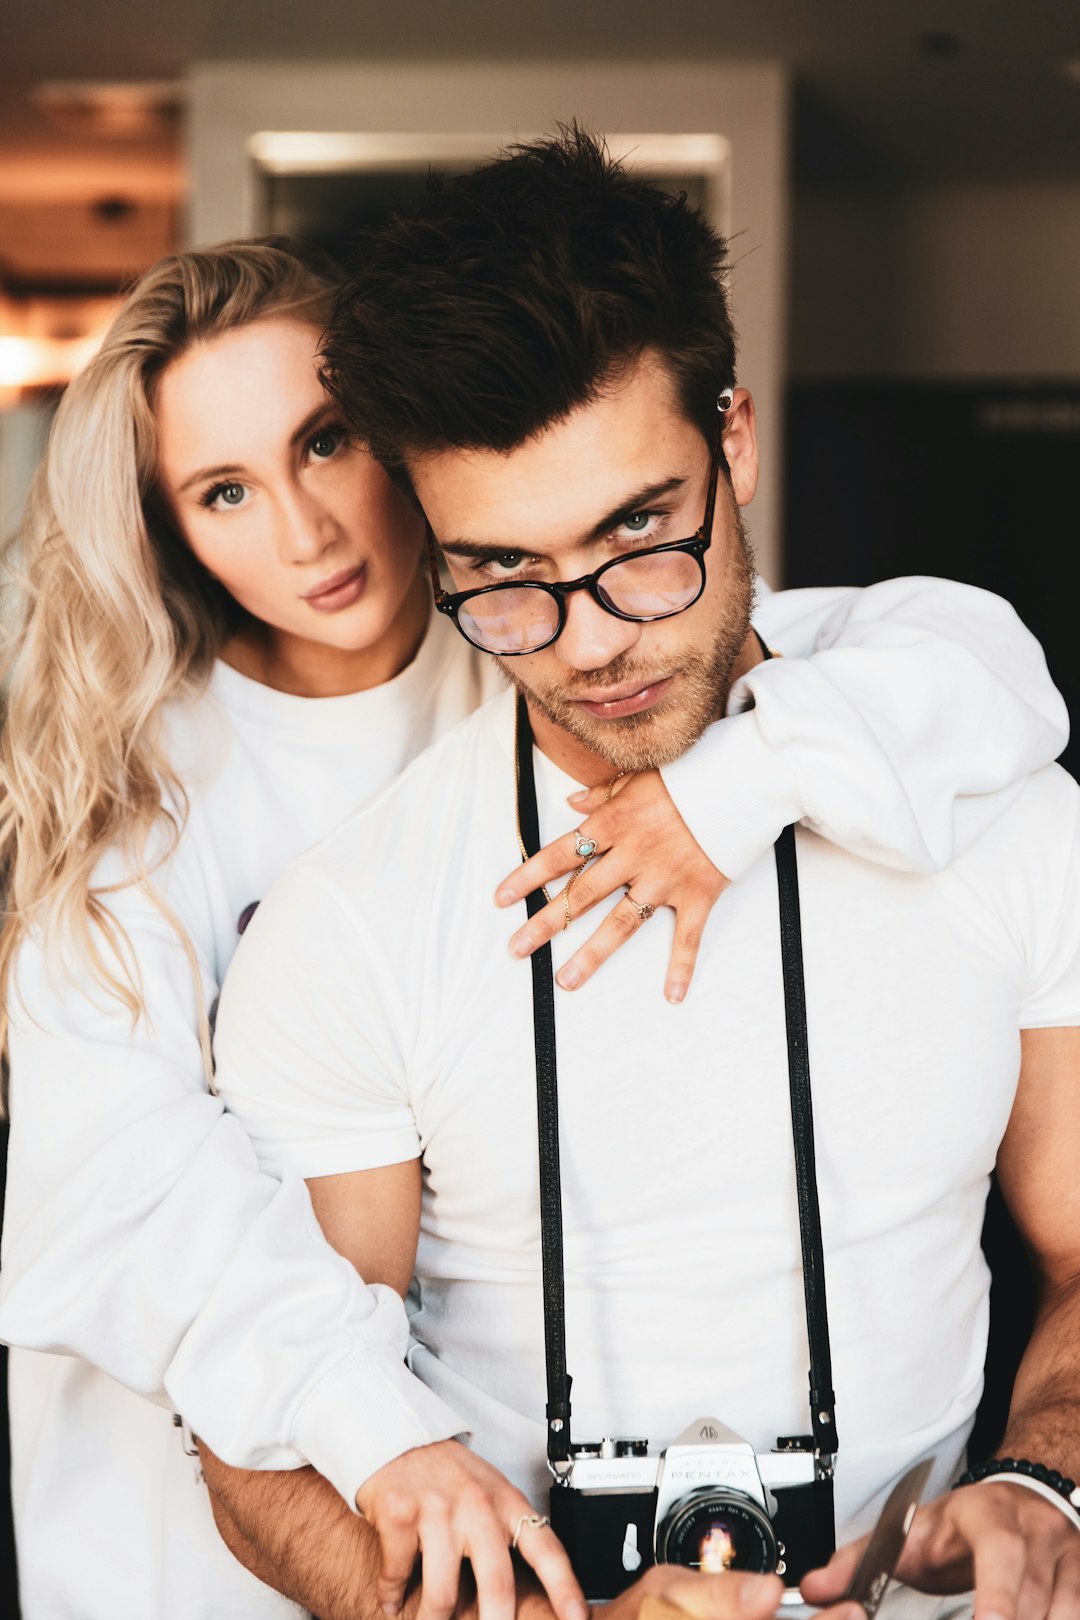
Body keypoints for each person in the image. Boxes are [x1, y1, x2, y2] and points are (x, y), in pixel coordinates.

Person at [0, 237, 1066, 1620]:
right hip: (233, 1485)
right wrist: (376, 1435)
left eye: (327, 444)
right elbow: (126, 1190)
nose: (307, 531)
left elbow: (964, 662)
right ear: (166, 523)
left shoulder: (559, 639)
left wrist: (730, 788)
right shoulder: (142, 797)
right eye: (222, 490)